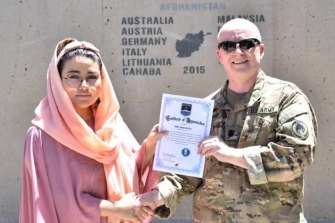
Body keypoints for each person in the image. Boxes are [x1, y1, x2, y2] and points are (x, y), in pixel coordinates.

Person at [139, 18, 318, 223]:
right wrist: (159, 194)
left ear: (260, 50)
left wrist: (230, 154)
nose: (238, 51)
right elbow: (187, 173)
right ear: (219, 55)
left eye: (247, 44)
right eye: (228, 46)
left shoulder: (287, 98)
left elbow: (297, 156)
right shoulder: (205, 110)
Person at [19, 38, 166, 223]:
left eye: (92, 77)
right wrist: (115, 210)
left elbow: (130, 173)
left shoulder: (112, 125)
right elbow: (58, 200)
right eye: (73, 76)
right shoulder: (42, 136)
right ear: (58, 80)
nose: (84, 85)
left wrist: (150, 146)